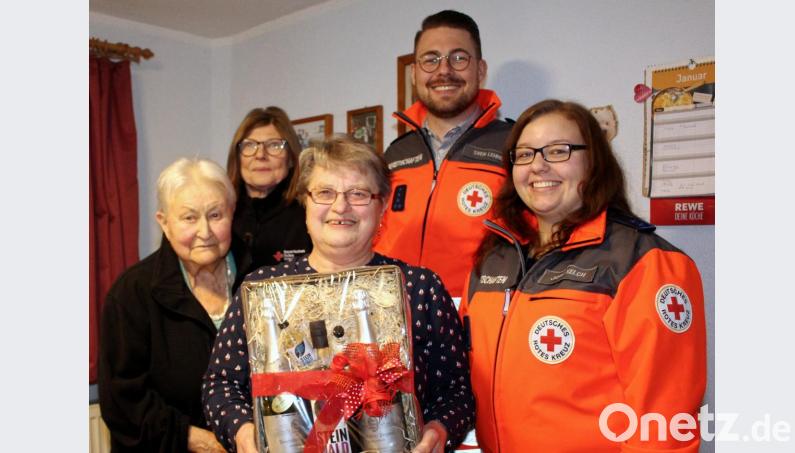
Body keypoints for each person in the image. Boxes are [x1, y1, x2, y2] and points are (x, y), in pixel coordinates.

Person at [459, 100, 707, 452]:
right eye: (525, 154)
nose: (538, 165)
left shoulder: (645, 263)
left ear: (594, 162)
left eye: (558, 151)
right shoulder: (491, 260)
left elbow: (663, 424)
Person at [203, 136, 474, 453]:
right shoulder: (261, 291)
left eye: (358, 194)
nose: (340, 206)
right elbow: (220, 384)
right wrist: (244, 433)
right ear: (306, 202)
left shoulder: (420, 288)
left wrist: (438, 432)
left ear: (382, 205)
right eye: (325, 193)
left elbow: (456, 392)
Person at [99, 158, 250, 452]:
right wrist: (201, 440)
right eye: (189, 218)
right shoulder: (132, 293)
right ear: (164, 223)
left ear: (232, 214)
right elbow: (122, 400)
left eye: (216, 215)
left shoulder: (258, 279)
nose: (204, 231)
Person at [374, 10, 513, 297]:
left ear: (481, 70)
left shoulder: (515, 147)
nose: (444, 70)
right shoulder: (395, 153)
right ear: (415, 74)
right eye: (430, 59)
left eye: (459, 58)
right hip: (395, 319)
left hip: (474, 325)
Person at [226, 106, 312, 272]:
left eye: (274, 145)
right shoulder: (221, 212)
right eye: (249, 145)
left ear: (291, 158)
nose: (260, 155)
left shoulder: (310, 213)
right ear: (237, 157)